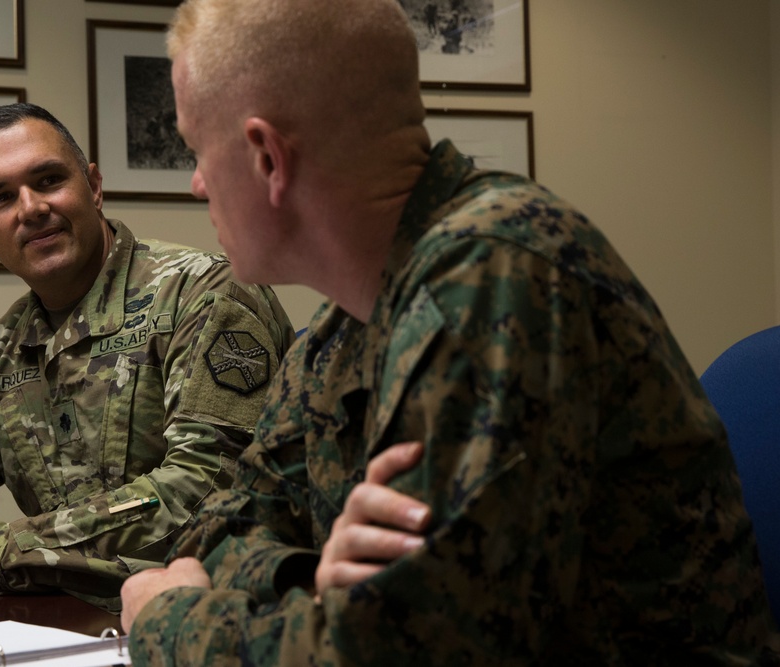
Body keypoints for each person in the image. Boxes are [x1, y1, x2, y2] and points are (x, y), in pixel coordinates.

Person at [118, 0, 780, 663]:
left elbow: (412, 652)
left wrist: (170, 623)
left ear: (267, 157)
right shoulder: (337, 332)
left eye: (196, 149)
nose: (199, 183)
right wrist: (306, 575)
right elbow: (217, 530)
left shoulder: (496, 275)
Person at [0, 102, 295, 610]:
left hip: (230, 623)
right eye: (1, 197)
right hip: (68, 631)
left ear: (92, 187)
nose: (30, 208)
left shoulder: (205, 293)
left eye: (48, 180)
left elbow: (210, 496)